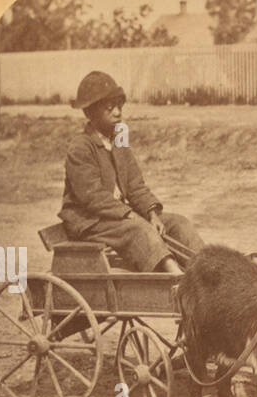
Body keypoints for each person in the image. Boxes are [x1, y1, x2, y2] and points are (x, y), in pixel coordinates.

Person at [59, 70, 204, 274]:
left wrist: (151, 214)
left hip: (117, 217)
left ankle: (206, 271)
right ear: (89, 113)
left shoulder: (119, 141)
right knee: (140, 230)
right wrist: (130, 215)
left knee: (177, 223)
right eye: (110, 108)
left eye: (119, 106)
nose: (118, 112)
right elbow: (92, 197)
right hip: (90, 222)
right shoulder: (81, 148)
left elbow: (135, 185)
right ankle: (176, 277)